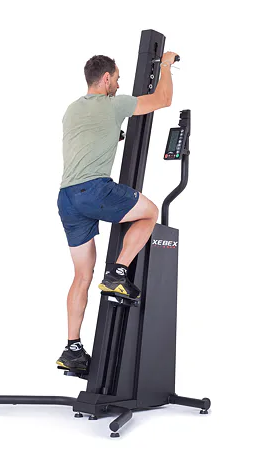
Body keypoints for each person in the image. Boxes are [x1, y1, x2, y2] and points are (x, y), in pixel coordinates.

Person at [55, 52, 178, 372]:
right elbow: (163, 99)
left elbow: (90, 137)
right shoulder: (115, 105)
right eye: (118, 79)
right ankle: (118, 273)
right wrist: (166, 64)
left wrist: (115, 135)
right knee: (150, 213)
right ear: (106, 78)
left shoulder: (72, 110)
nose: (120, 85)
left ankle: (72, 348)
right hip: (94, 190)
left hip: (67, 198)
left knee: (82, 275)